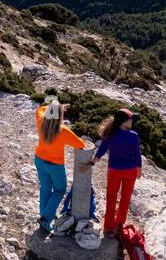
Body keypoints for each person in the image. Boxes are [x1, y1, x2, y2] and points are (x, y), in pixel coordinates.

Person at [34, 97, 85, 233]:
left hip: (39, 160)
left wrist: (55, 107)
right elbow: (81, 144)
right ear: (60, 116)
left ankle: (44, 214)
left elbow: (39, 109)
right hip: (55, 166)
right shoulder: (63, 131)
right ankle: (46, 218)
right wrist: (60, 108)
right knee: (59, 190)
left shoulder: (40, 122)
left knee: (45, 187)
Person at [88, 107, 142, 235]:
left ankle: (108, 226)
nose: (132, 122)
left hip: (114, 171)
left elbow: (102, 149)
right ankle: (120, 223)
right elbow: (137, 154)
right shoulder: (134, 136)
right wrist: (139, 168)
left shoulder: (111, 134)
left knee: (111, 197)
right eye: (130, 120)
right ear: (124, 122)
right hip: (131, 171)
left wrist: (93, 161)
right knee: (125, 197)